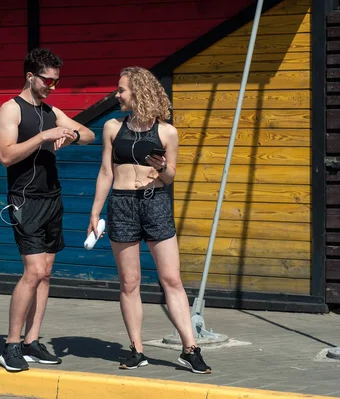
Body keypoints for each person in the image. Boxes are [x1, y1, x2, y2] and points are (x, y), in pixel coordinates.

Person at [87, 67, 211, 374]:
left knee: (172, 279)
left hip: (154, 202)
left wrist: (163, 166)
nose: (117, 95)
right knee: (130, 282)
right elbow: (106, 171)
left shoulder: (167, 131)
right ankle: (137, 350)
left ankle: (190, 349)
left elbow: (170, 177)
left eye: (121, 90)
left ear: (139, 92)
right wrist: (94, 211)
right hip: (122, 204)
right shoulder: (112, 127)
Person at [0, 48, 95, 372]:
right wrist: (42, 137)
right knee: (34, 271)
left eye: (56, 81)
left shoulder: (52, 110)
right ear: (30, 76)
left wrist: (72, 133)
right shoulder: (11, 110)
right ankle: (10, 344)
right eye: (48, 81)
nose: (52, 86)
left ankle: (31, 341)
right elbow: (6, 156)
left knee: (47, 274)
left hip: (53, 197)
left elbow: (90, 135)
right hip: (25, 199)